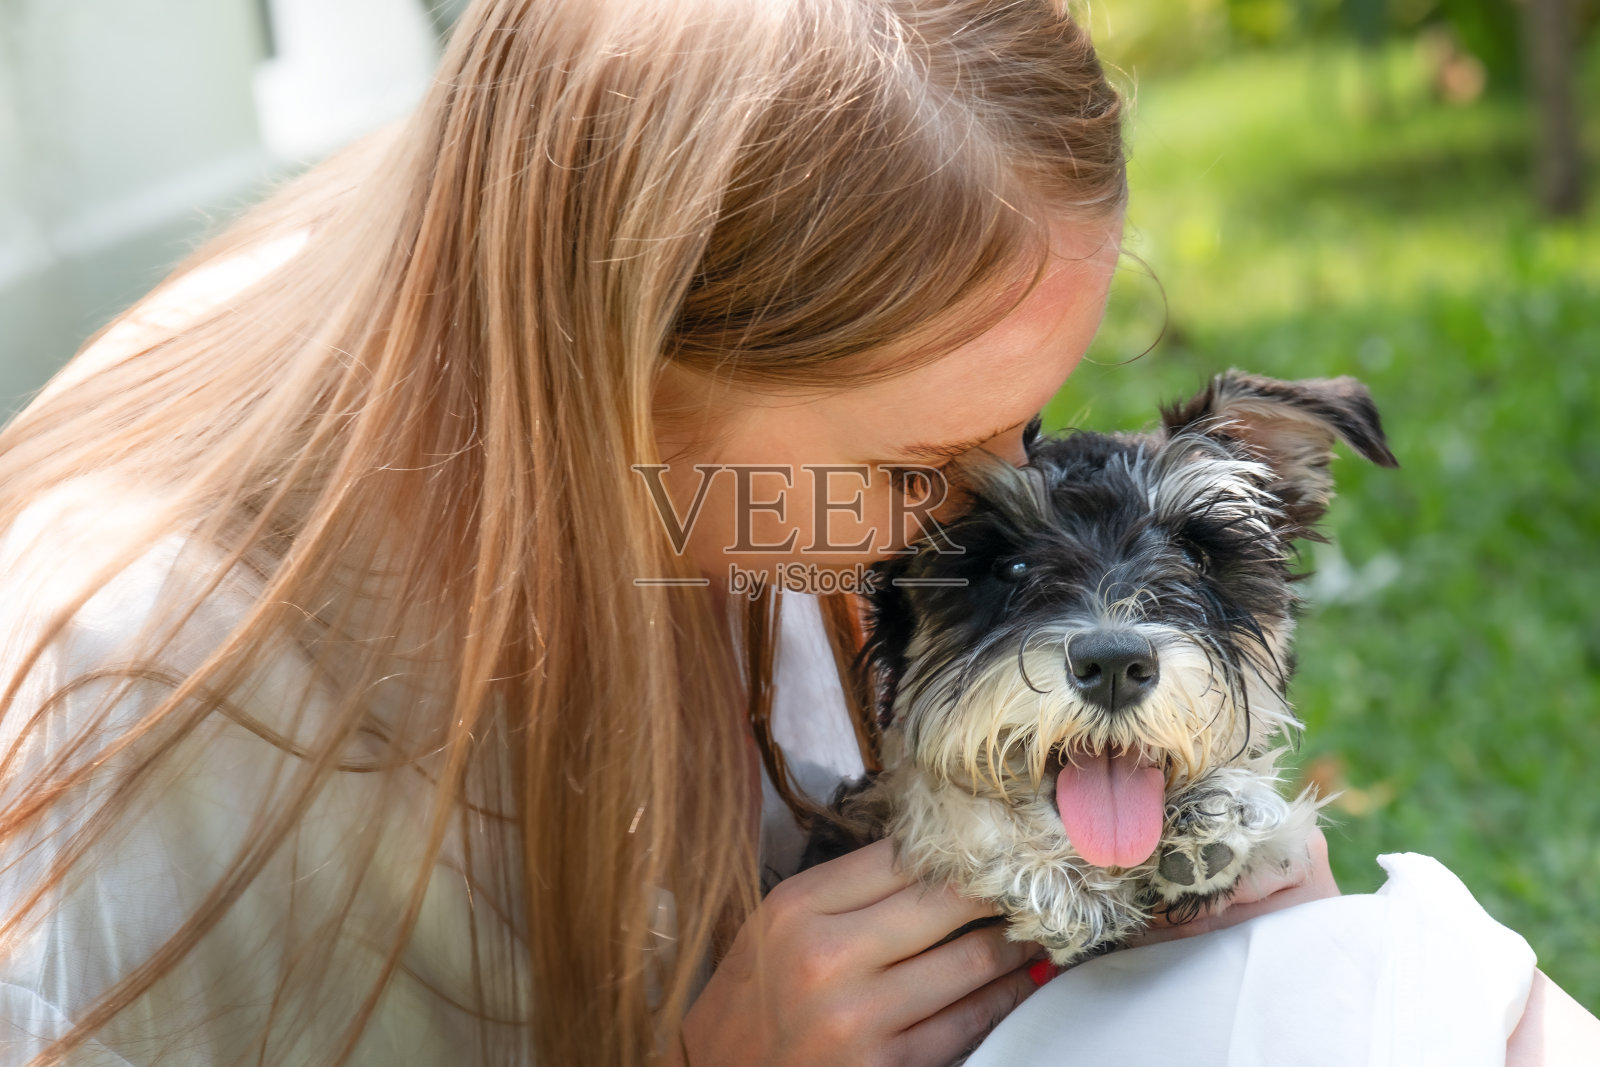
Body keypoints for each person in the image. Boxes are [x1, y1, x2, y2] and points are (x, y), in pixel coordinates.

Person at [0, 1, 1592, 1064]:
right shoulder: (150, 695)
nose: (985, 513)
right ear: (621, 373)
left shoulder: (725, 494)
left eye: (1025, 426)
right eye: (916, 463)